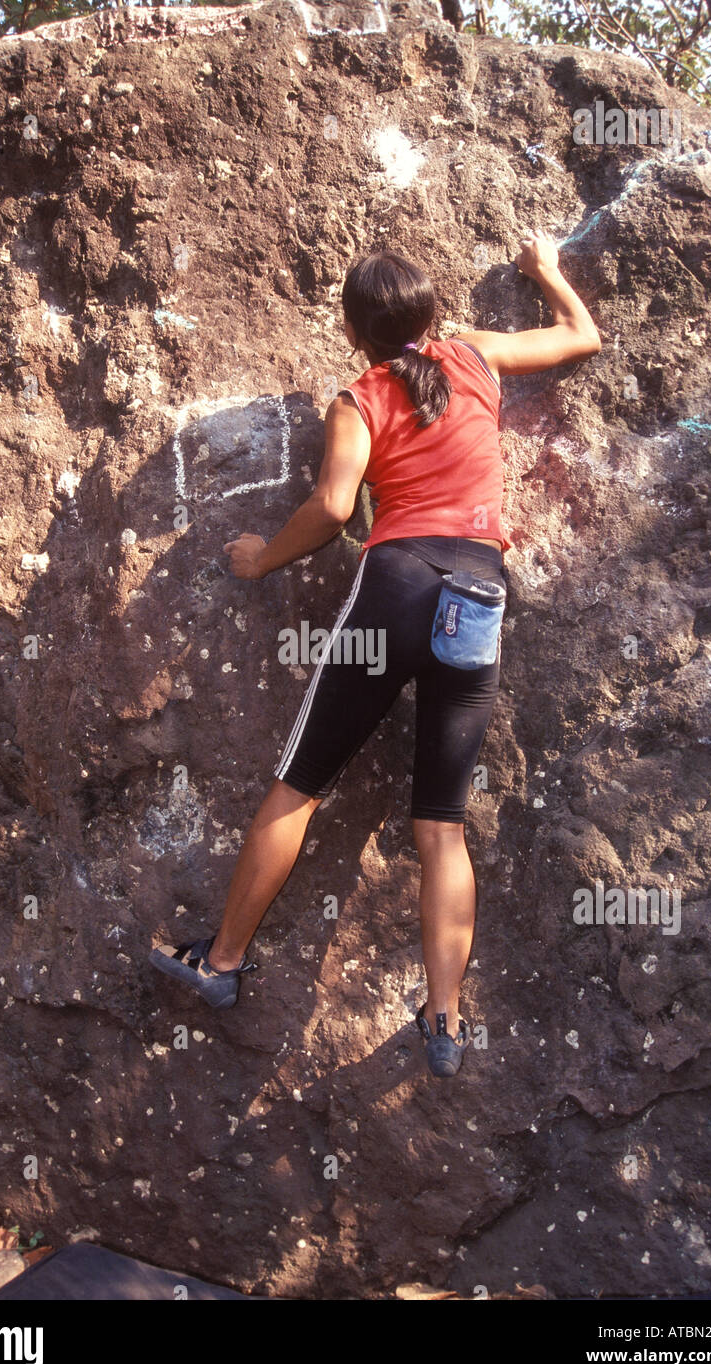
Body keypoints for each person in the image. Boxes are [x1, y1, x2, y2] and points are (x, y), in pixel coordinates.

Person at [150, 230, 601, 1077]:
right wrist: (545, 271)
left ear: (353, 331)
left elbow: (331, 506)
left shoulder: (358, 399)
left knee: (300, 785)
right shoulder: (474, 358)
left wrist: (262, 559)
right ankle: (444, 1019)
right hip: (478, 593)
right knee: (440, 824)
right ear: (432, 315)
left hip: (395, 585)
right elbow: (582, 337)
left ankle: (219, 963)